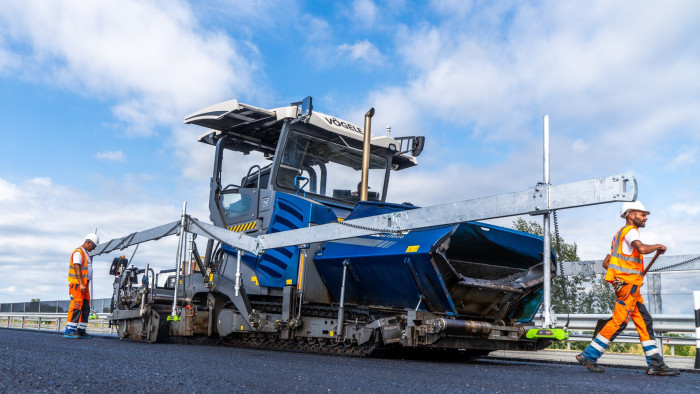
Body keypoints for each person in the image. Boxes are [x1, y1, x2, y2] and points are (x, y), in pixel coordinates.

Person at [576, 201, 679, 376]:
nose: (646, 218)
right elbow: (642, 248)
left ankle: (655, 363)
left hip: (630, 286)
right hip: (628, 285)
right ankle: (589, 356)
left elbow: (607, 263)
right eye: (643, 214)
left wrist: (618, 278)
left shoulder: (618, 236)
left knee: (644, 321)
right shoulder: (631, 232)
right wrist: (659, 246)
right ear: (631, 215)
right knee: (619, 322)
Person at [64, 233, 99, 339]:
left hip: (84, 285)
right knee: (76, 306)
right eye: (93, 246)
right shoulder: (78, 252)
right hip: (78, 285)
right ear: (88, 243)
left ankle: (81, 329)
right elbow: (77, 268)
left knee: (85, 307)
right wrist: (81, 283)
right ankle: (69, 330)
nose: (93, 249)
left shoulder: (85, 253)